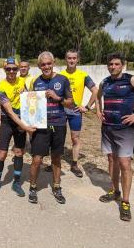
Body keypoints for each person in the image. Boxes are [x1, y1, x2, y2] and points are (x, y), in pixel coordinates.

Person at [96, 52, 134, 222]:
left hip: (125, 130)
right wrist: (99, 111)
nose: (113, 67)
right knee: (111, 161)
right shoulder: (105, 82)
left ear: (122, 65)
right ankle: (115, 191)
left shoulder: (131, 80)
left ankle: (126, 202)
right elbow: (98, 95)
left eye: (116, 64)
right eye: (110, 64)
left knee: (124, 164)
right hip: (107, 129)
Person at [28, 51, 74, 204]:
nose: (46, 66)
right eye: (43, 64)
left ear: (53, 63)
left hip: (59, 124)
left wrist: (57, 97)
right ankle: (33, 187)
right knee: (36, 159)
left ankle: (56, 186)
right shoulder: (36, 82)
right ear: (39, 66)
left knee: (56, 158)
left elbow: (70, 102)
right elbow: (32, 105)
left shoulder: (63, 80)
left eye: (49, 63)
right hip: (41, 126)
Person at [45, 49, 98, 177]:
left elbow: (96, 91)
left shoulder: (83, 75)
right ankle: (54, 162)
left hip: (75, 111)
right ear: (65, 59)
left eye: (74, 58)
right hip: (60, 110)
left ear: (77, 59)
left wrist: (87, 106)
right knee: (56, 139)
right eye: (69, 58)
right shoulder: (59, 75)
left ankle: (74, 164)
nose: (72, 60)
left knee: (75, 138)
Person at [0, 58, 36, 196]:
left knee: (19, 153)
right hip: (8, 122)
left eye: (14, 69)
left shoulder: (22, 82)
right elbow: (9, 111)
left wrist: (26, 94)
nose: (11, 71)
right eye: (8, 69)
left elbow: (30, 101)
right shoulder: (1, 87)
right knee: (2, 154)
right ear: (4, 70)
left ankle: (16, 183)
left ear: (17, 70)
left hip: (21, 121)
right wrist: (25, 126)